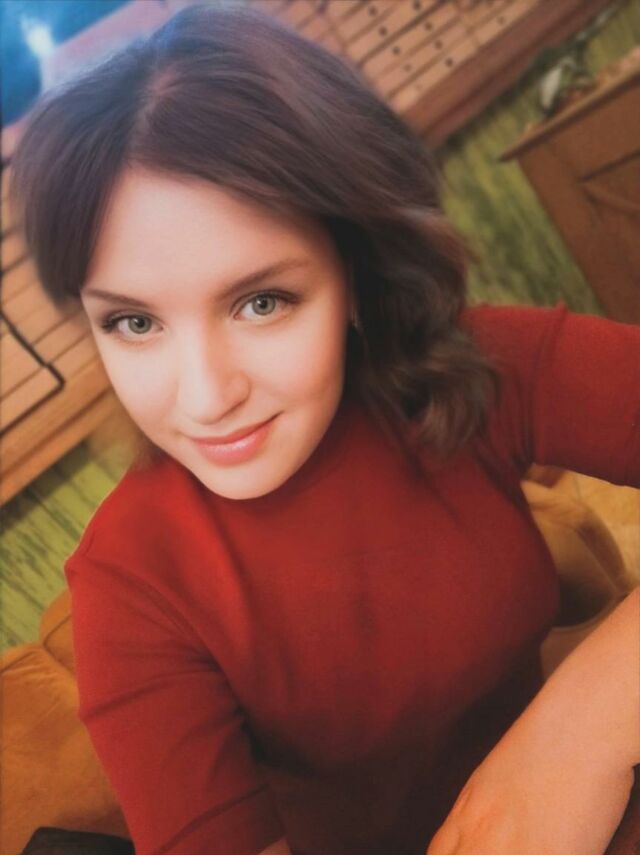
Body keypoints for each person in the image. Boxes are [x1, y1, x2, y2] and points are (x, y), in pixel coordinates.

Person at [9, 5, 639, 855]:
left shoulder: (477, 365)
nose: (205, 397)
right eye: (133, 322)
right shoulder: (132, 585)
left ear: (354, 266)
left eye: (261, 301)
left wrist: (581, 727)